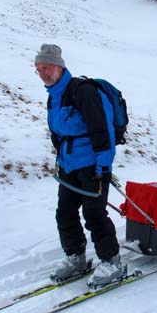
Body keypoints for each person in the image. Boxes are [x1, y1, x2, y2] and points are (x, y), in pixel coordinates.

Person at [34, 44, 123, 288]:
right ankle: (76, 257)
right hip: (68, 164)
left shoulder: (82, 91)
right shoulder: (54, 96)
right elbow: (58, 131)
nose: (43, 74)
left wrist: (104, 165)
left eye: (47, 68)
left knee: (94, 214)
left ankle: (112, 261)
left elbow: (101, 129)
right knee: (64, 212)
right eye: (38, 69)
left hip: (92, 164)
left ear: (60, 67)